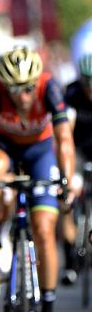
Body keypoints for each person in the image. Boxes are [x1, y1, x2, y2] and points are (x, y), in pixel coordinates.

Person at [0, 46, 75, 312]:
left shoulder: (49, 86)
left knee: (43, 228)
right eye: (15, 90)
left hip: (39, 153)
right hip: (4, 149)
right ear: (5, 84)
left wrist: (66, 181)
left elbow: (65, 139)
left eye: (28, 89)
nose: (23, 97)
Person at [61, 53, 92, 286]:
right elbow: (64, 133)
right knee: (67, 199)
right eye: (87, 83)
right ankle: (71, 257)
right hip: (78, 151)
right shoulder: (71, 93)